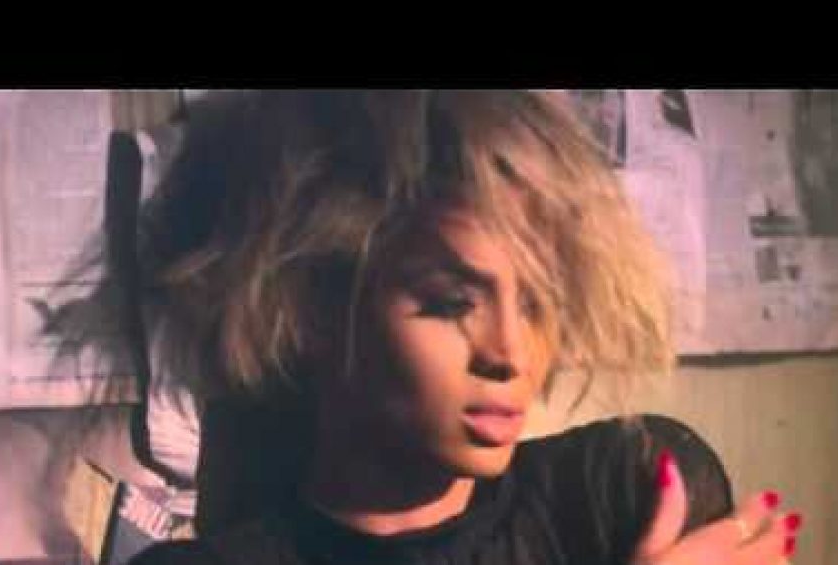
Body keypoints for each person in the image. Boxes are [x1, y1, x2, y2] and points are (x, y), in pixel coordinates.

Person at [122, 90, 802, 564]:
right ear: (314, 307)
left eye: (538, 302)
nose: (511, 353)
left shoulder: (622, 491)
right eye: (451, 303)